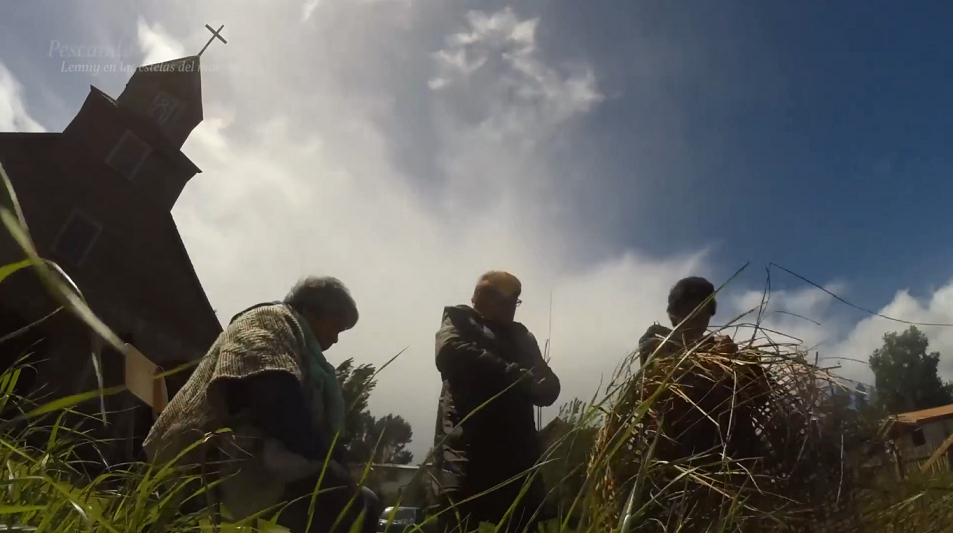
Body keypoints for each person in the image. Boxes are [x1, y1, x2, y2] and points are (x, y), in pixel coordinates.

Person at [143, 276, 380, 533]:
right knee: (352, 504)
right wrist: (326, 458)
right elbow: (275, 399)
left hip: (252, 454)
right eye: (336, 327)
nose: (335, 339)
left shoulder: (300, 348)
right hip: (206, 452)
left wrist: (331, 459)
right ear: (313, 311)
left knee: (359, 499)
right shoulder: (269, 320)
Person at [430, 271, 561, 533]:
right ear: (482, 298)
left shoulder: (522, 336)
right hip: (465, 446)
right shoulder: (459, 319)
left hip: (517, 455)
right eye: (505, 299)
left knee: (521, 522)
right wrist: (511, 374)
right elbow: (449, 352)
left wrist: (545, 386)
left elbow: (548, 381)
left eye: (515, 300)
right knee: (456, 521)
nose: (512, 306)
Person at [637, 276, 736, 368]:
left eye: (703, 316)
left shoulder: (714, 345)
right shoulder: (656, 337)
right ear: (674, 315)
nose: (698, 323)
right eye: (691, 314)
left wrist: (728, 353)